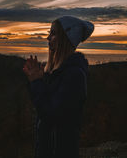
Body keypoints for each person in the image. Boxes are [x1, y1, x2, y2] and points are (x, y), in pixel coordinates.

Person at [23, 15, 94, 158]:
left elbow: (51, 115)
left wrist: (36, 82)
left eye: (53, 33)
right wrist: (34, 79)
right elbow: (42, 106)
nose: (48, 38)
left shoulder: (74, 75)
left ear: (66, 38)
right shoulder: (54, 72)